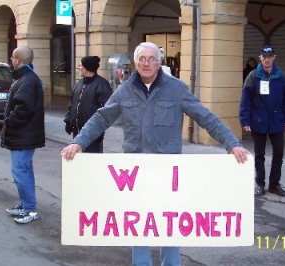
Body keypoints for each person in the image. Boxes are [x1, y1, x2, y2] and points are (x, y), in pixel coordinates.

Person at [61, 41, 250, 266]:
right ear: (135, 62)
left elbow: (205, 117)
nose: (146, 63)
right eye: (142, 59)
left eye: (151, 59)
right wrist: (79, 142)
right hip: (135, 174)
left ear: (160, 62)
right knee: (139, 224)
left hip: (167, 173)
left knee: (169, 225)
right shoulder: (125, 90)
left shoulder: (176, 88)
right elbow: (102, 117)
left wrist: (232, 143)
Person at [239, 45, 285, 197]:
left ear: (274, 57)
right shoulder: (253, 76)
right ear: (260, 57)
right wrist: (245, 120)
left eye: (269, 56)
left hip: (276, 120)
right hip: (259, 119)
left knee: (279, 152)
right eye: (264, 56)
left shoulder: (281, 76)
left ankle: (274, 184)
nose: (267, 59)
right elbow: (246, 100)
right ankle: (260, 183)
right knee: (259, 153)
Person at [1, 46, 45, 224]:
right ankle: (26, 203)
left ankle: (30, 209)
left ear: (18, 60)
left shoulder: (27, 80)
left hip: (23, 135)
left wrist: (9, 121)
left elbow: (24, 109)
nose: (11, 60)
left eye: (12, 58)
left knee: (20, 171)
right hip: (25, 135)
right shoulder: (27, 77)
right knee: (24, 170)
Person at [64, 56, 113, 153]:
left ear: (87, 67)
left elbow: (107, 109)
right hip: (77, 132)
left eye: (81, 65)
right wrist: (68, 120)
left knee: (92, 163)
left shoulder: (102, 85)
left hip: (93, 133)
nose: (79, 67)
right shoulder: (79, 84)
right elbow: (71, 104)